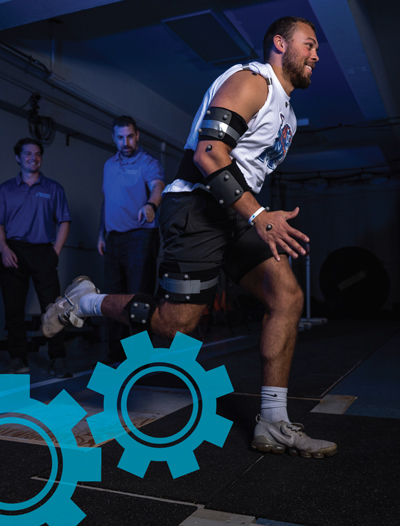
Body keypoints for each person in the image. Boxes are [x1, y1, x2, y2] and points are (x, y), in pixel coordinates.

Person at [42, 17, 337, 457]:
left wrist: (252, 214)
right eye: (309, 45)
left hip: (234, 212)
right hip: (196, 209)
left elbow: (241, 166)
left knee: (287, 296)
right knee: (175, 325)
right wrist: (260, 215)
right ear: (280, 43)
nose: (316, 55)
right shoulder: (253, 81)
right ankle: (83, 301)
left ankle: (273, 423)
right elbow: (208, 153)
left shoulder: (287, 113)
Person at [0, 137, 72, 377]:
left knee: (53, 309)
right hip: (13, 252)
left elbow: (64, 221)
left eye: (37, 154)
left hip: (43, 252)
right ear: (18, 158)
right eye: (28, 154)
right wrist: (4, 249)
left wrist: (55, 252)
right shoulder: (5, 189)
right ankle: (18, 359)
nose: (33, 158)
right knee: (13, 309)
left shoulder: (54, 188)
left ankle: (58, 359)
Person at [97, 115, 165, 363]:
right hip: (113, 239)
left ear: (137, 136)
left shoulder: (148, 163)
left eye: (129, 137)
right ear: (114, 138)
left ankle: (141, 359)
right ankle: (115, 355)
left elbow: (158, 186)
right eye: (120, 137)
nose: (125, 142)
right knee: (113, 299)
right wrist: (101, 233)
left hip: (141, 237)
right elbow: (107, 201)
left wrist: (150, 206)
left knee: (139, 299)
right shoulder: (109, 166)